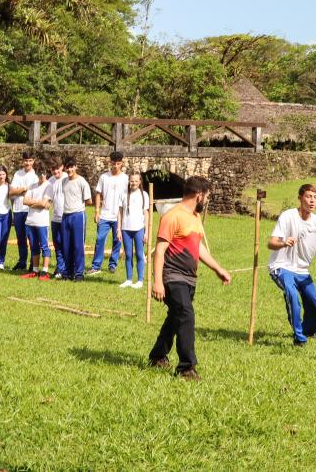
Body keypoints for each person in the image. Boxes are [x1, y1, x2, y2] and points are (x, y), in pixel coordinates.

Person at [148, 176, 231, 380]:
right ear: (199, 195)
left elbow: (198, 248)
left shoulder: (194, 218)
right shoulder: (172, 216)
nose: (207, 201)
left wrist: (217, 268)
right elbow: (159, 251)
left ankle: (157, 356)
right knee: (186, 314)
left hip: (189, 278)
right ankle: (186, 367)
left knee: (176, 317)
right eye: (207, 197)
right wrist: (157, 281)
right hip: (172, 276)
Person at [267, 184, 316, 347]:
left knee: (314, 304)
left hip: (302, 271)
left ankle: (308, 330)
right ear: (300, 198)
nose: (312, 201)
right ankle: (299, 338)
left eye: (315, 198)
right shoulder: (288, 216)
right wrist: (283, 243)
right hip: (281, 267)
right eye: (309, 196)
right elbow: (271, 243)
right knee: (292, 295)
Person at [88, 151, 129, 275]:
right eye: (113, 163)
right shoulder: (104, 177)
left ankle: (113, 264)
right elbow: (98, 194)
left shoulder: (126, 179)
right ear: (110, 162)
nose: (115, 166)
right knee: (100, 239)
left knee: (117, 241)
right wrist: (97, 211)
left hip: (119, 215)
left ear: (121, 163)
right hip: (105, 214)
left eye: (118, 163)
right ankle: (96, 265)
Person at [59, 158, 93, 281]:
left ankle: (79, 273)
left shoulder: (82, 182)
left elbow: (89, 200)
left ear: (76, 167)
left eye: (72, 167)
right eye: (67, 168)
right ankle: (68, 272)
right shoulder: (63, 181)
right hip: (65, 215)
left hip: (78, 215)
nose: (69, 170)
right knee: (66, 246)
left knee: (78, 246)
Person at [117, 172, 150, 289]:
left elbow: (146, 213)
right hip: (126, 229)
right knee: (128, 255)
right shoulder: (123, 194)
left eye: (136, 181)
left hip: (139, 229)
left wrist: (146, 232)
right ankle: (129, 279)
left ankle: (140, 280)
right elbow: (120, 212)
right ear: (129, 181)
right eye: (132, 181)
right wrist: (119, 229)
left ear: (140, 182)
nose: (134, 183)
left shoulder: (144, 195)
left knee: (140, 255)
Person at [21, 162, 53, 280]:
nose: (42, 176)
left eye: (44, 173)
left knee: (44, 246)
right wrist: (37, 203)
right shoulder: (32, 185)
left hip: (42, 222)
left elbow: (44, 204)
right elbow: (24, 201)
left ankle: (44, 271)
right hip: (30, 221)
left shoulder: (49, 186)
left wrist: (32, 202)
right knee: (33, 246)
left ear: (46, 174)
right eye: (40, 173)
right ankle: (35, 270)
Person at [9, 151, 38, 270]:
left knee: (31, 238)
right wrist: (23, 190)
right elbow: (11, 192)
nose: (28, 163)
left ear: (33, 161)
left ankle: (33, 263)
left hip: (29, 210)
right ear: (23, 161)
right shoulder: (17, 174)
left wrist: (18, 191)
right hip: (17, 209)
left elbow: (33, 195)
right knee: (20, 239)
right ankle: (22, 262)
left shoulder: (35, 177)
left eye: (30, 160)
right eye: (26, 160)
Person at [47, 159, 68, 279]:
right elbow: (48, 198)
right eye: (53, 170)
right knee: (57, 244)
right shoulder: (50, 181)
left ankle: (67, 268)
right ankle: (60, 268)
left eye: (57, 170)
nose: (56, 173)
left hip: (66, 216)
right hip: (55, 218)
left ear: (62, 167)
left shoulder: (67, 178)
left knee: (67, 244)